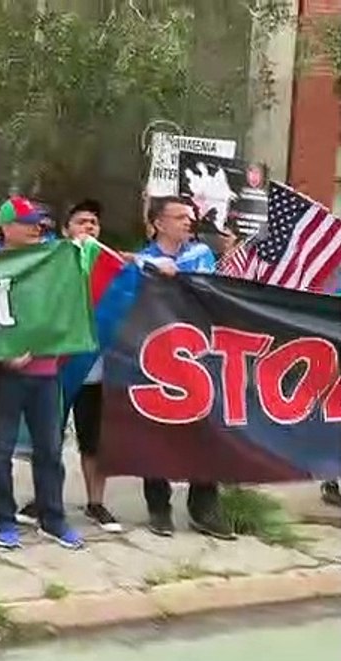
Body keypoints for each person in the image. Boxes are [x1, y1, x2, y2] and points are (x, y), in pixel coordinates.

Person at [0, 196, 83, 551]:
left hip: (45, 372)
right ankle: (2, 519)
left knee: (50, 450)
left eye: (39, 222)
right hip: (3, 375)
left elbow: (66, 304)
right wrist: (3, 355)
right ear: (6, 227)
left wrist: (58, 352)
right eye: (27, 222)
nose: (36, 228)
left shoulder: (52, 259)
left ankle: (53, 518)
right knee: (0, 450)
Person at [15, 199, 122, 533]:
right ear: (66, 229)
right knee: (48, 439)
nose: (88, 227)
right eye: (81, 222)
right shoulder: (52, 262)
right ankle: (42, 498)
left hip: (98, 371)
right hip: (57, 367)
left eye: (93, 222)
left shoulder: (112, 264)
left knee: (95, 442)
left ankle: (96, 502)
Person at [132, 197, 235, 540]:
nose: (188, 222)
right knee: (156, 430)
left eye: (190, 217)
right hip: (154, 357)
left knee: (206, 432)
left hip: (199, 355)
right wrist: (149, 270)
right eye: (179, 217)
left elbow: (216, 295)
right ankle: (159, 506)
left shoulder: (202, 256)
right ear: (159, 223)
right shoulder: (141, 260)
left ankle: (204, 506)